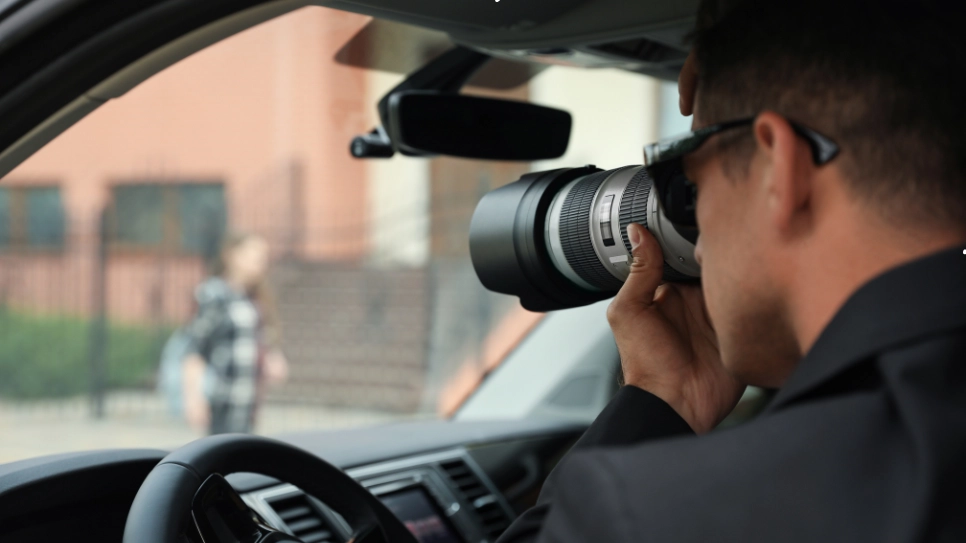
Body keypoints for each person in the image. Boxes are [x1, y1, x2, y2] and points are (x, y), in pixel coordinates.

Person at [497, 0, 966, 540]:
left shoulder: (647, 514)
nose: (696, 240)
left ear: (778, 169)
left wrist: (659, 401)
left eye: (692, 179)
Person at [182, 233, 289, 435]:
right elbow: (195, 349)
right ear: (233, 256)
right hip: (221, 399)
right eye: (254, 255)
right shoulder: (214, 295)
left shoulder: (254, 298)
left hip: (248, 399)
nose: (261, 262)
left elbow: (259, 340)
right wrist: (193, 398)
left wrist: (272, 357)